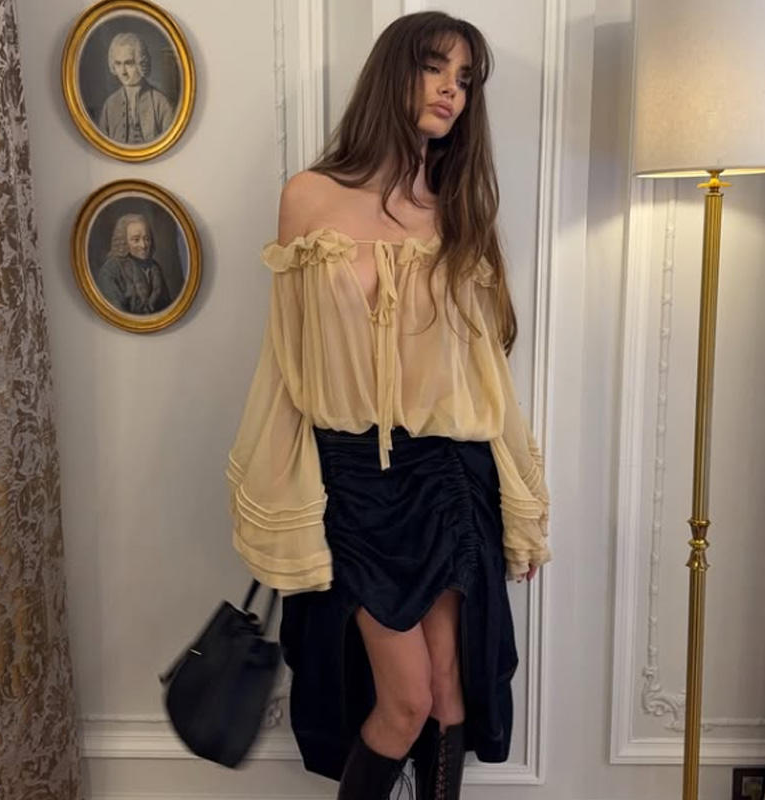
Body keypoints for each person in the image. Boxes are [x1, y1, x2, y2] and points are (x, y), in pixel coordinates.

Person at [226, 11, 551, 800]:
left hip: (448, 476)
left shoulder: (457, 210)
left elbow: (485, 374)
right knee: (402, 701)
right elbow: (287, 360)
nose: (451, 90)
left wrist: (522, 493)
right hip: (354, 480)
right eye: (435, 68)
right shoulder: (308, 198)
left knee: (447, 696)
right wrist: (273, 487)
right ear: (392, 74)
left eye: (464, 79)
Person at [98, 32, 175, 144]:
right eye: (118, 64)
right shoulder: (110, 105)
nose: (123, 72)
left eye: (129, 63)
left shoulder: (160, 102)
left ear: (141, 63)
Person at [96, 213, 172, 314]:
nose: (143, 245)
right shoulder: (110, 270)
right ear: (123, 241)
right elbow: (116, 313)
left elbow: (167, 308)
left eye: (147, 239)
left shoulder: (154, 267)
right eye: (136, 240)